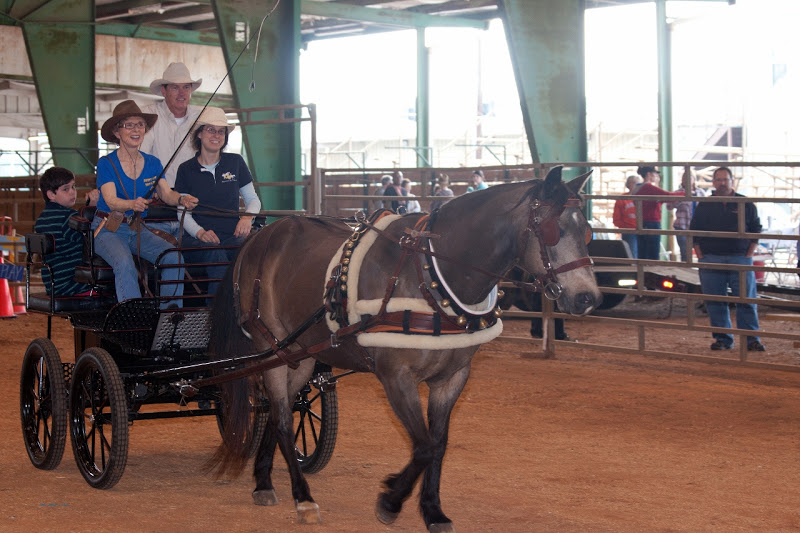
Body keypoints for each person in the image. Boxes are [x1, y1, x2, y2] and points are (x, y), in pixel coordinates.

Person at [92, 100, 198, 308]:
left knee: (174, 257)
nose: (136, 130)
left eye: (140, 124)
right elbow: (111, 201)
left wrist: (181, 199)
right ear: (117, 132)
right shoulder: (106, 163)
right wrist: (132, 203)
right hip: (108, 230)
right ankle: (131, 317)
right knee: (124, 264)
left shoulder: (153, 163)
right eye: (129, 125)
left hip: (137, 228)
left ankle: (168, 317)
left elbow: (166, 193)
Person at [174, 106, 261, 298]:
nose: (216, 135)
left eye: (221, 131)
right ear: (199, 134)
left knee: (258, 249)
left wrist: (247, 219)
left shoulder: (235, 162)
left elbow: (253, 199)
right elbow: (182, 212)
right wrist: (200, 232)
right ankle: (214, 318)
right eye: (210, 130)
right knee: (217, 256)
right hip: (197, 240)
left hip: (232, 234)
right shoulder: (186, 169)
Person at [690, 166, 765, 352]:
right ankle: (723, 339)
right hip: (711, 258)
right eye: (718, 179)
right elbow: (694, 230)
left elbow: (756, 228)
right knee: (715, 301)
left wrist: (749, 253)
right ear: (713, 182)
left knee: (746, 299)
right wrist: (701, 255)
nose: (722, 183)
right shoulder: (705, 204)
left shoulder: (745, 203)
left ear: (732, 181)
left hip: (739, 257)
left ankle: (751, 339)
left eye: (725, 179)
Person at [140, 62, 203, 188]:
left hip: (193, 194)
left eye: (186, 87)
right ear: (164, 91)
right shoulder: (148, 115)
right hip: (157, 194)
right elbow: (140, 156)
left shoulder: (201, 117)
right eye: (175, 88)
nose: (181, 93)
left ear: (191, 90)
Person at [33, 167, 92, 296]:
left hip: (54, 285)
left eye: (73, 187)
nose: (72, 192)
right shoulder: (68, 218)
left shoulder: (42, 219)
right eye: (66, 189)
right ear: (51, 195)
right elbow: (92, 240)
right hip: (74, 285)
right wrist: (94, 207)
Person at [632, 166, 683, 260]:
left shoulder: (637, 188)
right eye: (655, 175)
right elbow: (668, 196)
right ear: (649, 174)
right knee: (653, 254)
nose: (657, 177)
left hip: (641, 222)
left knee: (642, 252)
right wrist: (686, 193)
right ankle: (652, 274)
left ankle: (643, 273)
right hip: (652, 223)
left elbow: (658, 200)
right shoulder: (649, 187)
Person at [666, 170, 707, 261]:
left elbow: (706, 208)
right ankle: (685, 272)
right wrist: (679, 199)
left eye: (689, 177)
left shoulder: (701, 192)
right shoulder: (677, 193)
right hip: (682, 226)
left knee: (701, 250)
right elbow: (669, 206)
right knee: (685, 252)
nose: (687, 180)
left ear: (694, 179)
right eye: (685, 178)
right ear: (682, 180)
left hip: (698, 226)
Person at [612, 174, 642, 258]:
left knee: (643, 254)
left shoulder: (643, 197)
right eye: (633, 183)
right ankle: (633, 270)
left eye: (638, 183)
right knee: (631, 254)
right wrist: (626, 227)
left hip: (643, 229)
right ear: (628, 185)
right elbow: (616, 219)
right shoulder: (622, 199)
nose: (636, 185)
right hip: (629, 231)